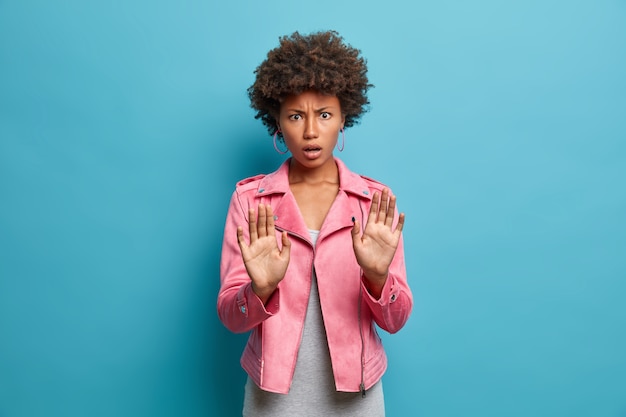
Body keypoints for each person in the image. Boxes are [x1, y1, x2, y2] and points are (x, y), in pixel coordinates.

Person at [217, 30, 413, 416]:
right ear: (277, 122)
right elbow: (230, 317)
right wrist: (261, 288)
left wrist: (377, 278)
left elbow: (397, 318)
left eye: (324, 114)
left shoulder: (374, 202)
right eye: (295, 116)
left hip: (357, 397)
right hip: (272, 398)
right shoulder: (250, 201)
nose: (310, 131)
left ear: (344, 118)